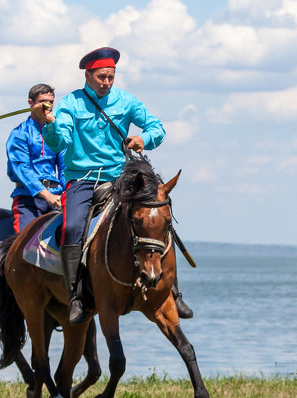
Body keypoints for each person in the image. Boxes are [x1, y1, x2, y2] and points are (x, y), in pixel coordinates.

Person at [33, 47, 193, 324]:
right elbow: (60, 143)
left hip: (121, 177)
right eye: (102, 77)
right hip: (82, 179)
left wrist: (146, 139)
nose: (107, 82)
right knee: (71, 228)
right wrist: (48, 124)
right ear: (88, 74)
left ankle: (174, 292)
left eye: (111, 77)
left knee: (156, 217)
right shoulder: (70, 104)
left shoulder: (126, 101)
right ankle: (77, 298)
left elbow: (157, 127)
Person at [6, 83, 66, 233]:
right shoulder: (19, 134)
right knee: (22, 246)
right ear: (30, 103)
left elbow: (65, 167)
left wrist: (66, 192)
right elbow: (21, 168)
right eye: (42, 102)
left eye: (51, 102)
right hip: (28, 200)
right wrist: (46, 194)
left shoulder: (56, 132)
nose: (47, 106)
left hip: (57, 198)